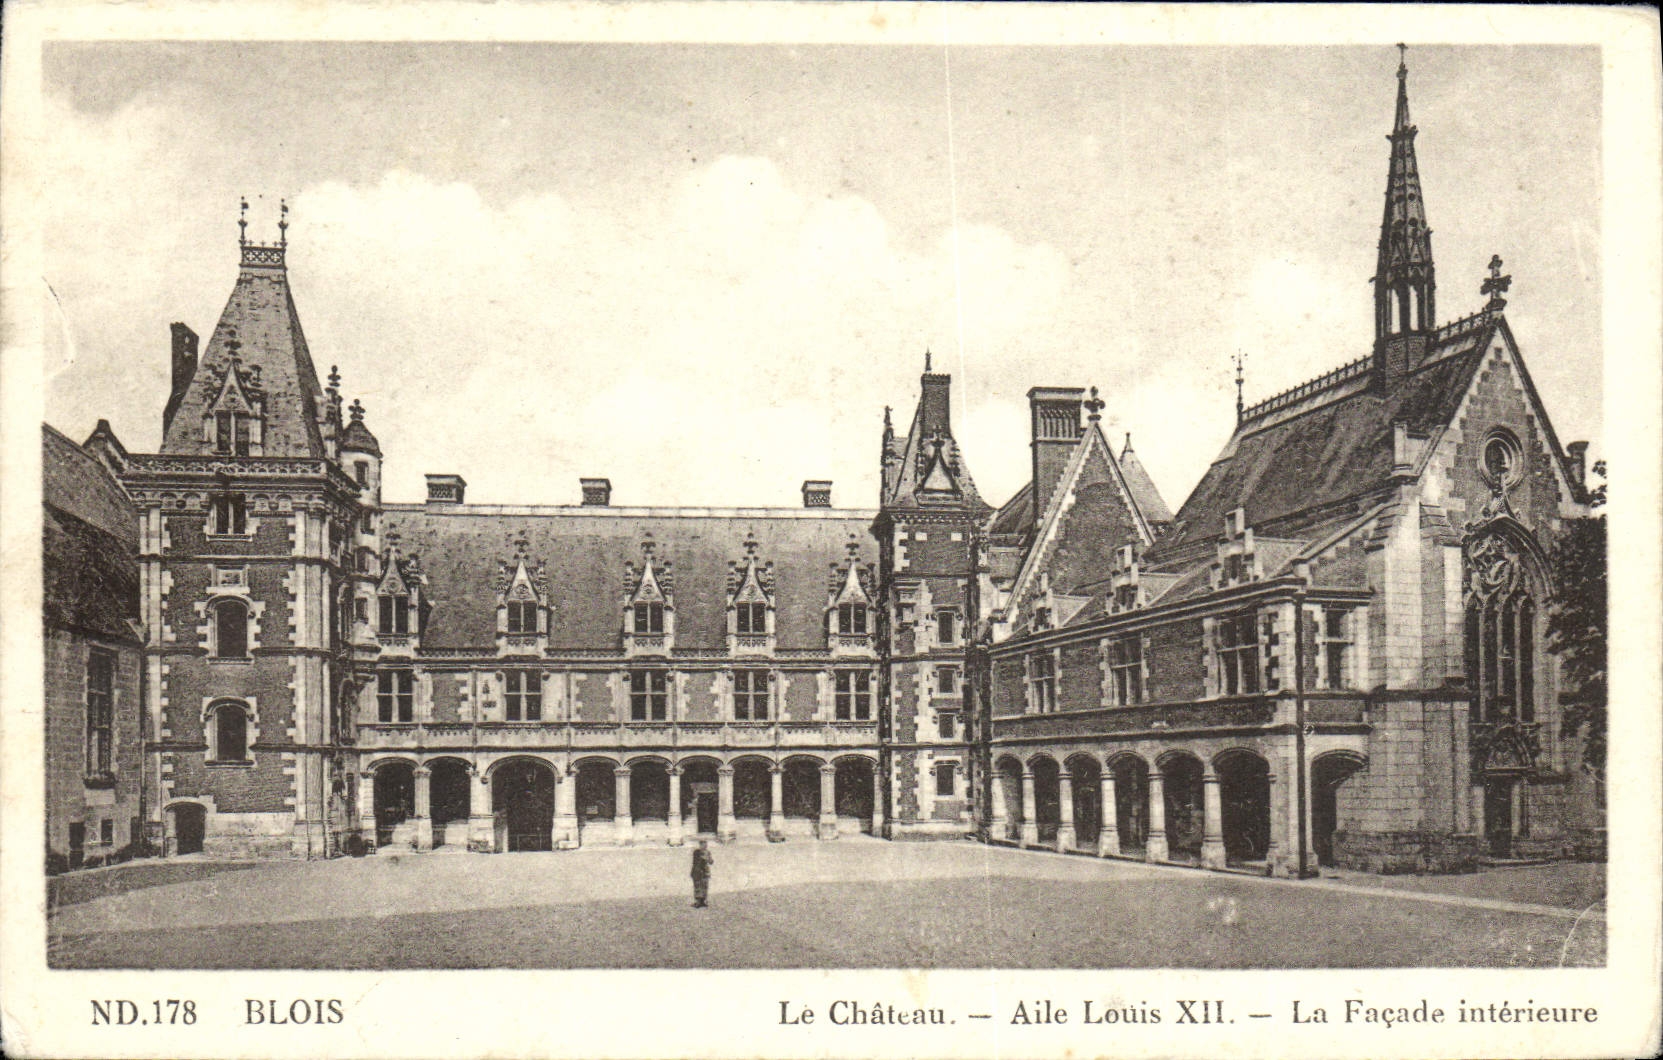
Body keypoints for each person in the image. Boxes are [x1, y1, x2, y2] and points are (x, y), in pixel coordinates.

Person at [690, 839, 714, 908]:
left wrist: (708, 859)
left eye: (706, 845)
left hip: (705, 872)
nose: (705, 846)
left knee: (705, 886)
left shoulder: (708, 852)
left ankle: (703, 901)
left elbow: (711, 862)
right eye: (703, 844)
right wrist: (703, 857)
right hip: (697, 871)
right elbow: (695, 861)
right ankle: (698, 902)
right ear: (700, 845)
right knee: (697, 886)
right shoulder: (696, 852)